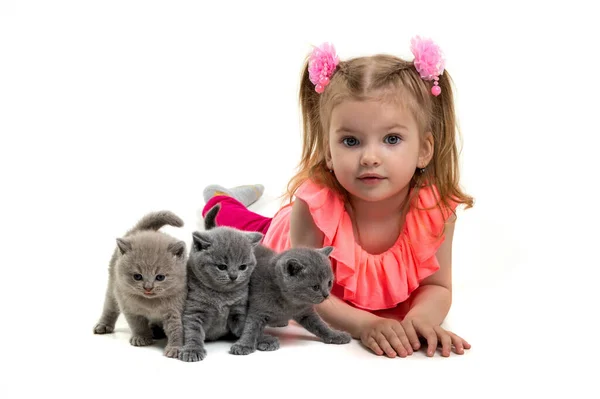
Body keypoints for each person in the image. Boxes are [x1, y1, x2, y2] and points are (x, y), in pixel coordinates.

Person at [201, 36, 473, 358]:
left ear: (424, 149)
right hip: (285, 240)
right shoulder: (312, 207)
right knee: (245, 225)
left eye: (391, 139)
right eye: (351, 142)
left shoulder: (434, 210)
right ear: (328, 152)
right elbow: (298, 294)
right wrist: (365, 324)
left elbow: (437, 286)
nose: (370, 157)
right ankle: (220, 198)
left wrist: (418, 320)